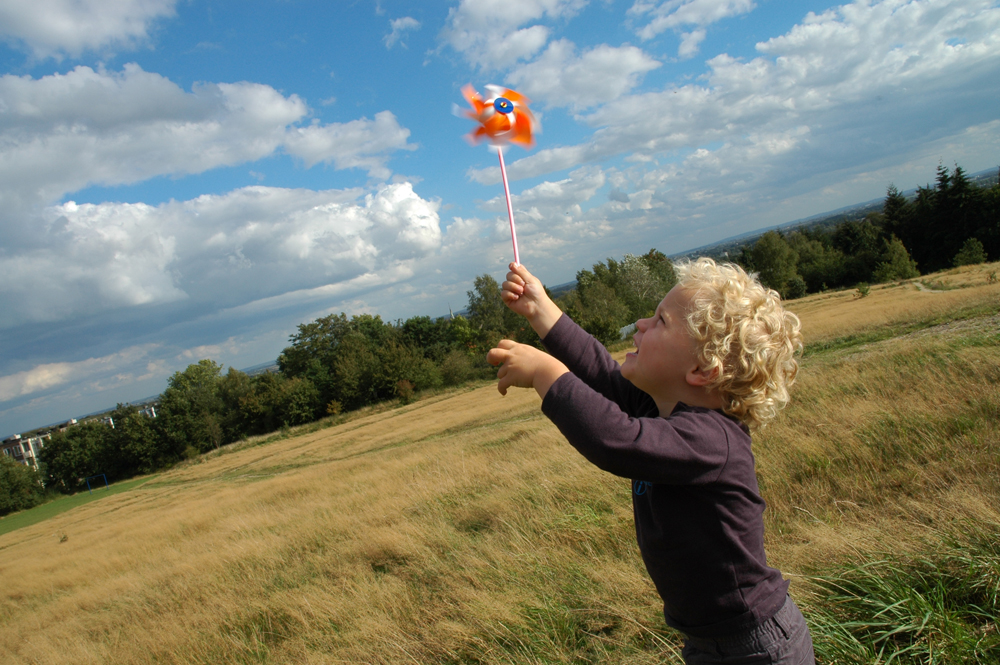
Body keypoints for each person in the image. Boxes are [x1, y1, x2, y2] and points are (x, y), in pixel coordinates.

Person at [486, 258, 814, 664]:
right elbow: (601, 373)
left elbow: (616, 440)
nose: (640, 323)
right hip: (707, 640)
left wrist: (545, 374)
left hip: (753, 644)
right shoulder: (660, 408)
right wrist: (540, 309)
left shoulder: (712, 440)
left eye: (660, 321)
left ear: (701, 369)